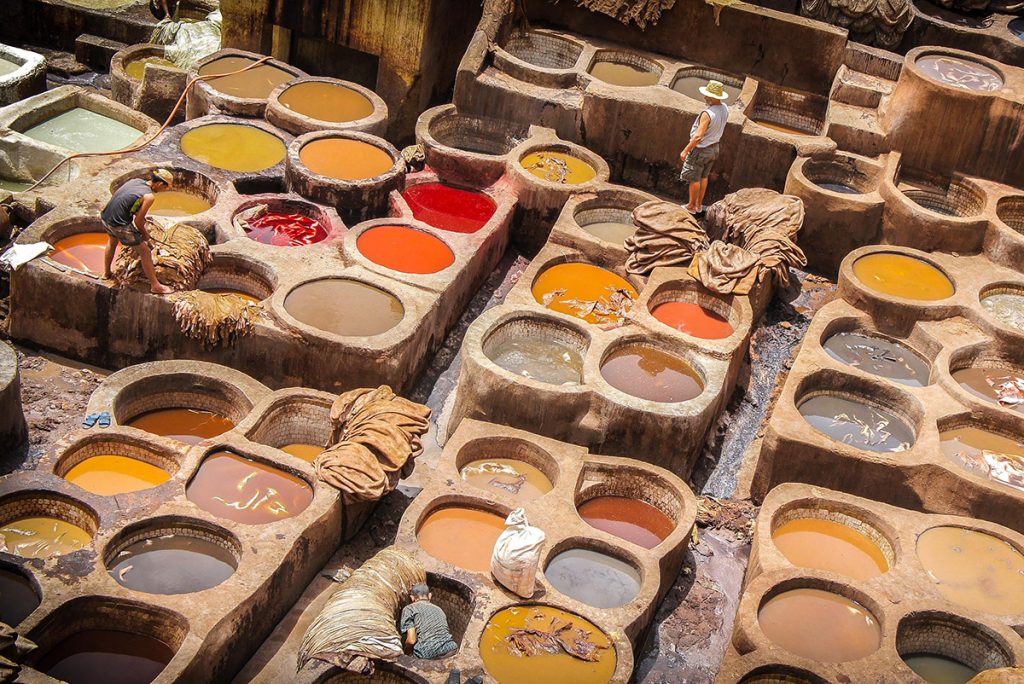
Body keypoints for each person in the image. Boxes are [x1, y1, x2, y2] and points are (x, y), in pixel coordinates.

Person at [100, 169, 175, 294]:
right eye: (165, 188)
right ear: (161, 184)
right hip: (119, 224)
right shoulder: (149, 197)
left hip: (106, 217)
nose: (164, 191)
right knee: (145, 251)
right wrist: (145, 235)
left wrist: (139, 216)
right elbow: (138, 222)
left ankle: (106, 273)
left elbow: (129, 203)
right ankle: (155, 285)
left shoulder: (136, 181)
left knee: (112, 242)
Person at [679, 80, 730, 216]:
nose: (705, 98)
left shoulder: (707, 114)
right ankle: (699, 206)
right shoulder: (725, 108)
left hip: (701, 150)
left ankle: (691, 206)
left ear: (713, 97)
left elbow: (698, 137)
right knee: (704, 176)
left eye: (707, 95)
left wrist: (686, 150)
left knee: (694, 178)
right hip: (714, 148)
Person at [400, 583, 457, 660]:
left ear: (412, 598)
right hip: (451, 649)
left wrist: (406, 654)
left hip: (426, 654)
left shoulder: (409, 609)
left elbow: (411, 640)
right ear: (430, 595)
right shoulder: (439, 609)